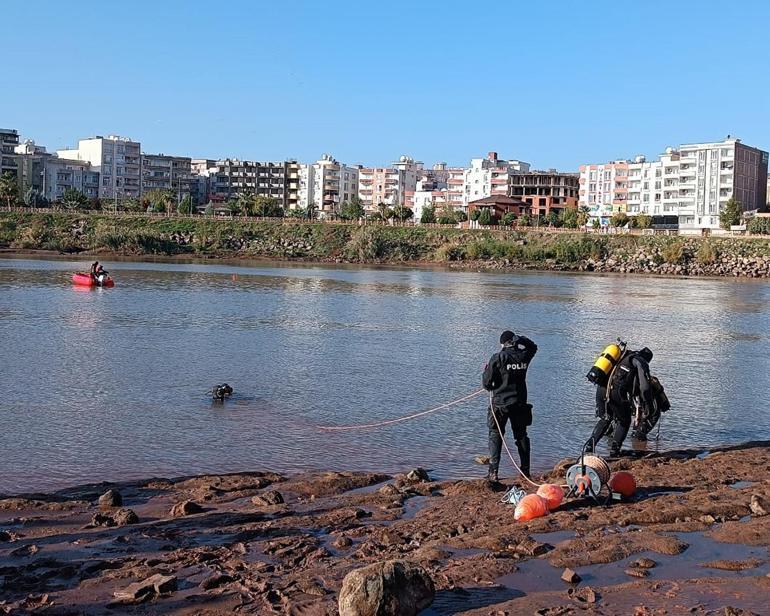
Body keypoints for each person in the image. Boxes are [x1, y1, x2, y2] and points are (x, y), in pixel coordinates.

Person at [482, 330, 538, 482]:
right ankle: (525, 470)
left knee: (495, 435)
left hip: (500, 404)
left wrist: (487, 373)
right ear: (514, 341)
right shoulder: (523, 355)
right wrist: (521, 339)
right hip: (519, 403)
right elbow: (533, 346)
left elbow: (487, 383)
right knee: (521, 436)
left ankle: (493, 472)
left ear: (502, 344)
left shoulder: (498, 357)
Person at [584, 347, 654, 456]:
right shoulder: (640, 361)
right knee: (624, 421)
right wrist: (648, 404)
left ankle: (589, 447)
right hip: (616, 392)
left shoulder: (622, 356)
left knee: (606, 418)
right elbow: (645, 387)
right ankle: (615, 451)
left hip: (601, 389)